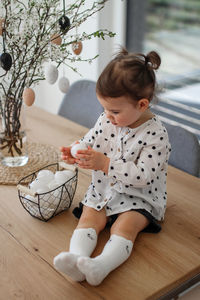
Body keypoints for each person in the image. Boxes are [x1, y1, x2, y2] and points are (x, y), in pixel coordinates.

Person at [53, 48, 171, 286]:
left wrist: (106, 163)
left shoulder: (157, 136)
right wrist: (77, 150)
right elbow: (91, 138)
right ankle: (77, 260)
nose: (107, 116)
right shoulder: (108, 118)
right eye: (105, 108)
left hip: (140, 196)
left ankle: (101, 266)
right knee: (88, 217)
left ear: (142, 104)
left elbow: (144, 176)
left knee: (124, 226)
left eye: (114, 111)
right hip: (104, 190)